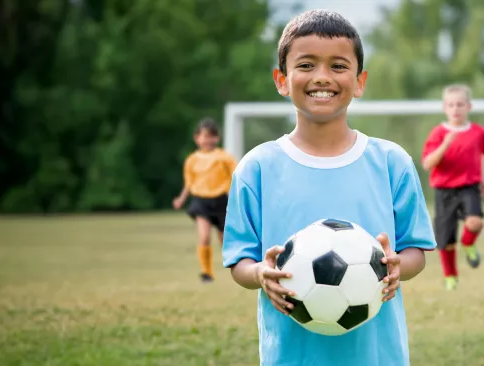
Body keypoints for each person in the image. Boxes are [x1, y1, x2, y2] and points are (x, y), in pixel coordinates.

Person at [221, 9, 436, 366]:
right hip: (292, 356)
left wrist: (399, 267)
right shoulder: (256, 168)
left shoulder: (390, 162)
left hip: (377, 355)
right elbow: (239, 262)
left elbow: (415, 251)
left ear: (360, 80)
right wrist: (260, 273)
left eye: (338, 66)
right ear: (281, 79)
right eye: (306, 65)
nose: (322, 77)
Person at [421, 84, 484, 291]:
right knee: (446, 241)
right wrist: (445, 144)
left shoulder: (479, 133)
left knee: (475, 222)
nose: (456, 109)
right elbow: (427, 164)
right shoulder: (438, 133)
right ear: (445, 108)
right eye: (451, 105)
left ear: (469, 106)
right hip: (444, 191)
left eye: (460, 104)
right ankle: (451, 277)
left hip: (469, 187)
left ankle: (469, 243)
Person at [173, 117, 236, 282]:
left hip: (222, 201)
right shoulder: (191, 160)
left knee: (225, 239)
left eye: (211, 136)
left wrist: (236, 197)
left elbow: (235, 178)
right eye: (204, 136)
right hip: (201, 202)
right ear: (197, 138)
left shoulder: (225, 157)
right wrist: (181, 198)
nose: (207, 140)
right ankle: (206, 272)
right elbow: (189, 183)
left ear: (217, 138)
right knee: (204, 237)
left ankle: (235, 268)